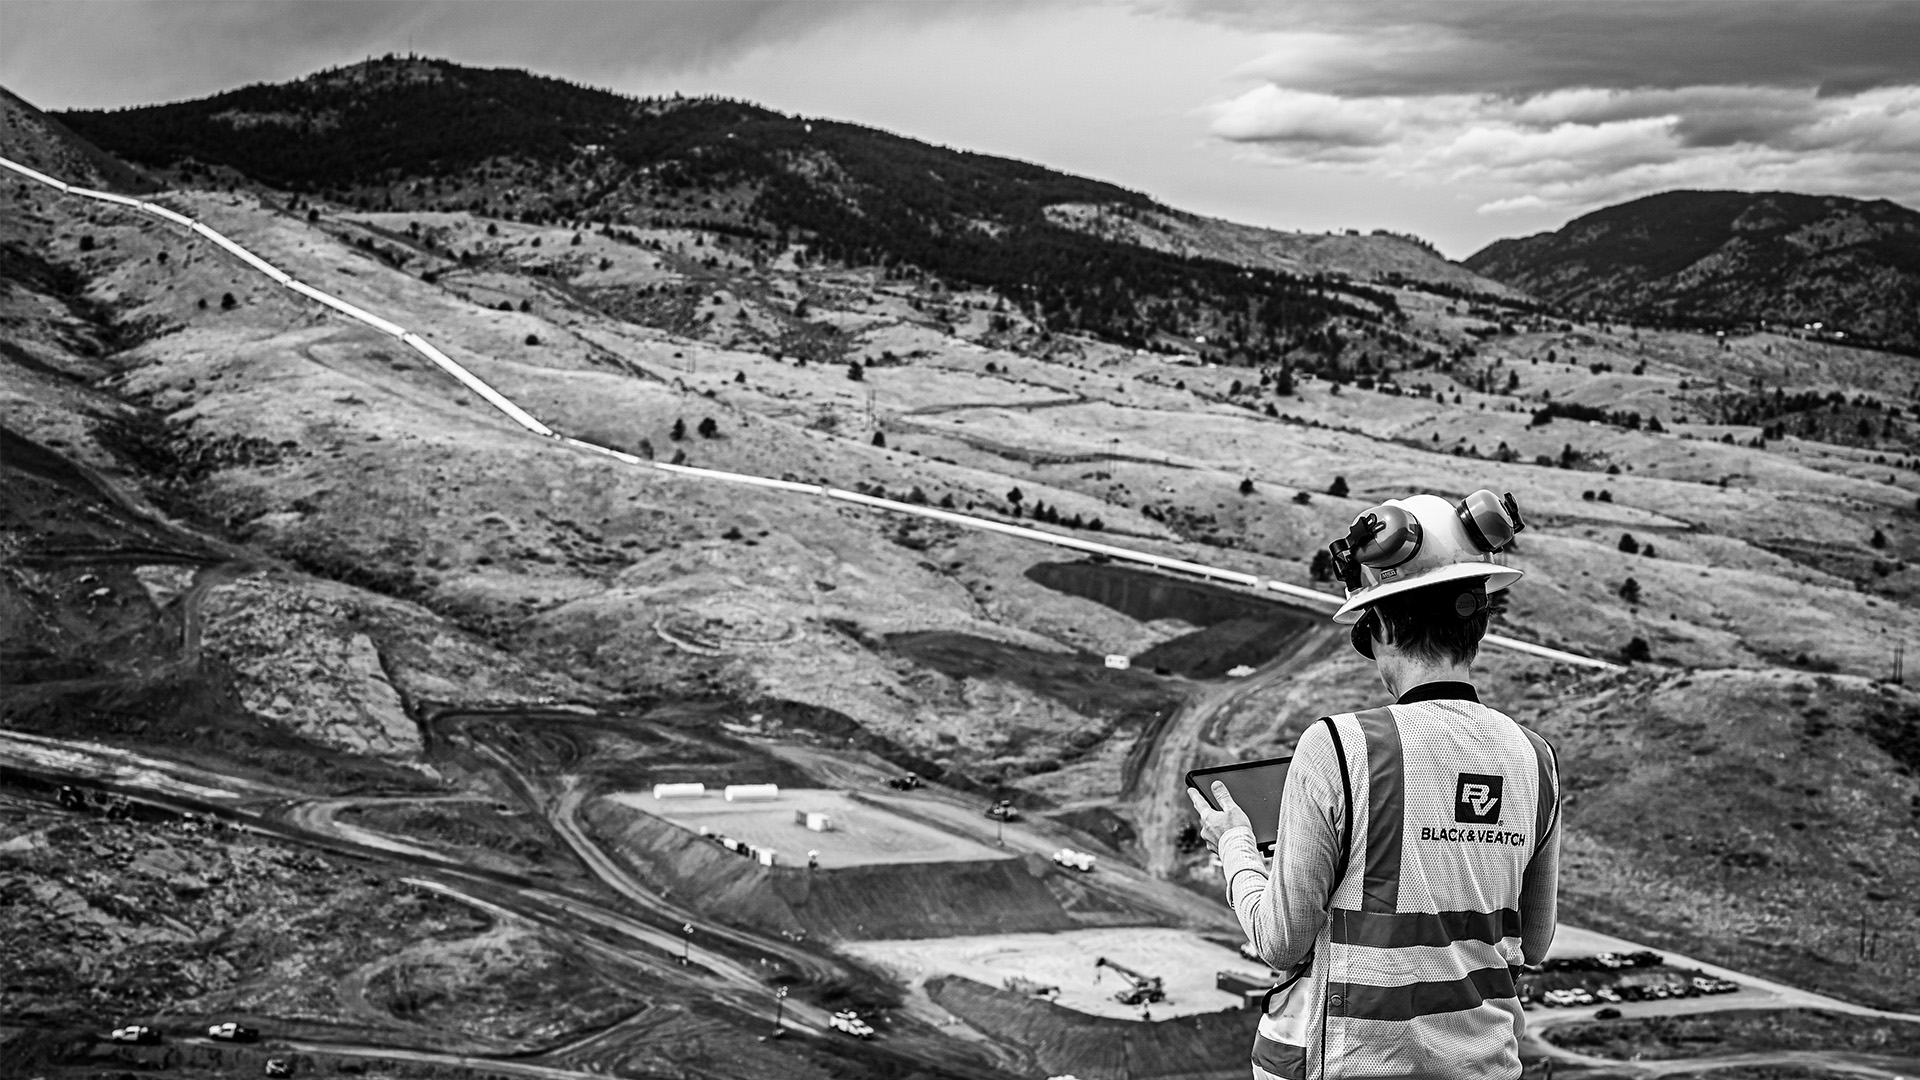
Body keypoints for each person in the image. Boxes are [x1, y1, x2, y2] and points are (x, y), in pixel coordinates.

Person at [1188, 491, 1560, 1080]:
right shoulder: (1535, 758)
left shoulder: (1339, 747)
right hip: (1486, 1066)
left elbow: (1280, 942)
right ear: (1479, 618)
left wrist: (1234, 845)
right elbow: (1532, 943)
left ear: (1380, 623)